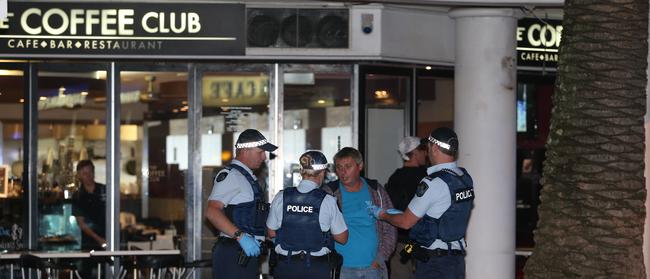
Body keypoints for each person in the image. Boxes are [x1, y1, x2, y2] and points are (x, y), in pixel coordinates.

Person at [368, 127, 474, 279]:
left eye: (428, 147)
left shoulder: (433, 182)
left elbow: (406, 222)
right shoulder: (464, 178)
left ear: (435, 148)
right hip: (456, 261)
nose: (427, 151)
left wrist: (382, 214)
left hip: (435, 264)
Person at [206, 129, 277, 279]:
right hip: (234, 252)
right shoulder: (232, 176)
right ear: (245, 150)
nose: (264, 157)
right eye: (261, 152)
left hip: (245, 253)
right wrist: (241, 236)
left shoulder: (246, 178)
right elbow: (212, 211)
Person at [267, 150, 349, 279]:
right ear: (322, 172)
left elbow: (271, 232)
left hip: (285, 267)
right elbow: (342, 238)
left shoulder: (281, 197)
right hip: (315, 269)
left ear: (301, 171)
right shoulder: (328, 201)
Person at [322, 147, 396, 279]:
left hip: (372, 267)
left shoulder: (375, 190)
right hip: (341, 267)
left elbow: (390, 225)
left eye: (348, 166)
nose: (343, 172)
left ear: (360, 166)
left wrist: (380, 259)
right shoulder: (330, 193)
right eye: (339, 167)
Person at [385, 136, 428, 278]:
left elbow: (391, 209)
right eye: (422, 150)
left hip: (402, 242)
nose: (425, 153)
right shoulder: (427, 177)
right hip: (423, 242)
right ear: (414, 152)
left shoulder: (394, 178)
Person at [71, 159, 106, 278]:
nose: (88, 176)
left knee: (108, 273)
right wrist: (99, 239)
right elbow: (82, 224)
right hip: (89, 242)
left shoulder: (104, 190)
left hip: (109, 240)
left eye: (90, 172)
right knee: (87, 274)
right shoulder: (78, 196)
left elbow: (115, 212)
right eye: (84, 173)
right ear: (79, 176)